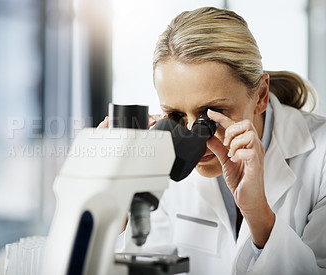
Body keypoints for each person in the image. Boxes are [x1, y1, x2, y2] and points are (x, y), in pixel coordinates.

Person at [99, 6, 326, 275]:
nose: (196, 138)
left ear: (261, 95)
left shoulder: (320, 156)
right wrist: (109, 198)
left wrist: (258, 214)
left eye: (211, 116)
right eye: (175, 115)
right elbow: (140, 261)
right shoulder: (170, 156)